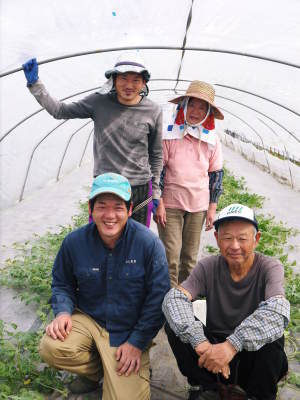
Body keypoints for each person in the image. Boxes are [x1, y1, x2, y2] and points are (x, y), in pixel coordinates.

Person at [39, 172, 170, 400]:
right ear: (91, 209)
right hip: (90, 319)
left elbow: (158, 298)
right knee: (51, 347)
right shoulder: (74, 242)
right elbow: (62, 283)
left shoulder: (148, 244)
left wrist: (137, 343)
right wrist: (62, 312)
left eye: (118, 207)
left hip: (128, 330)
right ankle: (98, 370)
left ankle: (121, 366)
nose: (110, 215)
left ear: (130, 210)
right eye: (102, 206)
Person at [163, 203, 289, 400]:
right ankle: (206, 386)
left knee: (272, 337)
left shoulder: (269, 267)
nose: (234, 245)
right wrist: (201, 342)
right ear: (217, 239)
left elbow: (278, 310)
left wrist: (232, 345)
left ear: (256, 239)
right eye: (227, 238)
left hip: (251, 354)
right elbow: (175, 299)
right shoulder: (208, 266)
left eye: (242, 238)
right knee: (174, 324)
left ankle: (258, 395)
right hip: (211, 351)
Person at [22, 52, 163, 226]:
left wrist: (155, 192)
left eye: (136, 80)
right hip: (106, 186)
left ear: (144, 83)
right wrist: (35, 84)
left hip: (139, 187)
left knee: (137, 243)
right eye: (124, 78)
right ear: (114, 79)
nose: (129, 85)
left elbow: (156, 155)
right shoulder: (99, 102)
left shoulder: (153, 110)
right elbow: (60, 111)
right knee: (102, 241)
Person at [154, 81, 224, 287]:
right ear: (183, 106)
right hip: (171, 204)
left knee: (190, 259)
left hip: (198, 206)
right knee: (170, 257)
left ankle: (185, 298)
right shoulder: (169, 134)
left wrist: (212, 208)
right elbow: (158, 170)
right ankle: (167, 300)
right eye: (192, 105)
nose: (196, 111)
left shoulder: (212, 139)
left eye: (202, 107)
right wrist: (158, 202)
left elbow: (216, 174)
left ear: (208, 112)